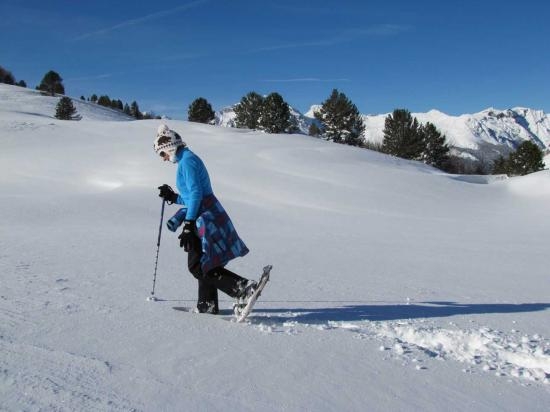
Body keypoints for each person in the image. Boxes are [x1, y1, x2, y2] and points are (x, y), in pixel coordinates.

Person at [154, 124, 256, 314]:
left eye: (162, 154)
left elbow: (196, 194)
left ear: (169, 147)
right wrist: (173, 197)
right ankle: (207, 305)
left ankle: (242, 288)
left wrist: (188, 224)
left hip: (204, 218)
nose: (164, 159)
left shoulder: (187, 162)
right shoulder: (187, 159)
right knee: (204, 261)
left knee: (197, 265)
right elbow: (192, 195)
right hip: (204, 213)